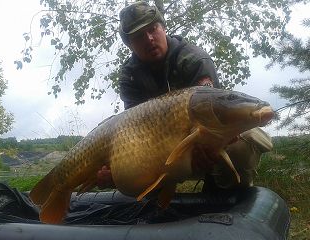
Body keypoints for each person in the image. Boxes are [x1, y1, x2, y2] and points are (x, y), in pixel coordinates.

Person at [96, 1, 273, 195]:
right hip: (157, 148)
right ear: (129, 45)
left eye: (153, 29)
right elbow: (132, 133)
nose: (149, 39)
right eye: (139, 36)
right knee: (125, 168)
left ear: (163, 27)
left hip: (199, 141)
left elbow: (215, 116)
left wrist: (206, 149)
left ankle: (220, 198)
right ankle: (156, 209)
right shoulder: (129, 75)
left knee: (243, 143)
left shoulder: (194, 60)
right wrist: (117, 173)